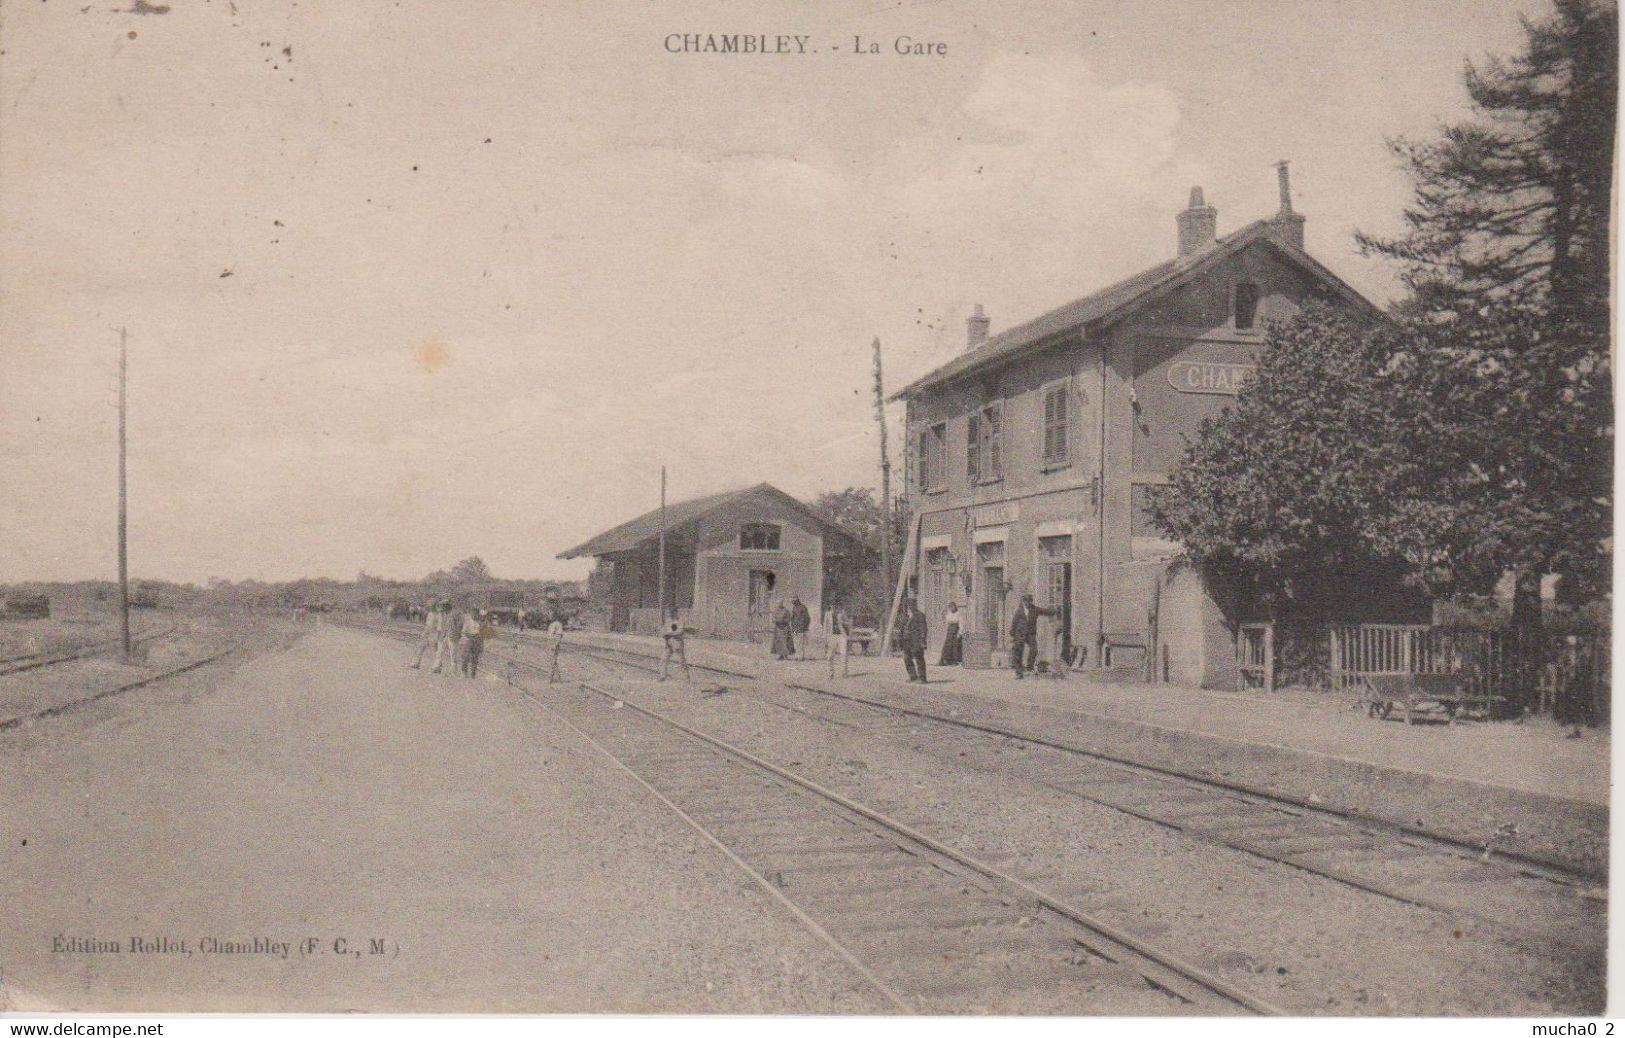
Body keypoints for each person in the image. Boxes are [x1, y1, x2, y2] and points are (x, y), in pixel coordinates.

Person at [1009, 593, 1056, 679]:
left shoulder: (1035, 609)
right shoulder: (1019, 611)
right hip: (1020, 634)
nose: (1028, 603)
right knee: (1018, 652)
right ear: (1023, 602)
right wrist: (1012, 635)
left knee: (1034, 650)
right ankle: (1019, 673)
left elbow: (1045, 611)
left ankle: (1029, 667)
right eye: (1026, 601)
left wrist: (1054, 611)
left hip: (1030, 634)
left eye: (1030, 601)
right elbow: (1014, 623)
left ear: (1031, 601)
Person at [898, 598, 928, 683]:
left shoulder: (920, 615)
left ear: (915, 605)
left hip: (916, 641)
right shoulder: (905, 617)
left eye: (911, 605)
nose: (909, 607)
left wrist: (922, 640)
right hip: (906, 641)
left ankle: (922, 678)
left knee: (919, 658)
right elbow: (902, 629)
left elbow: (923, 629)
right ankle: (913, 676)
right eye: (908, 605)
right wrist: (900, 640)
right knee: (907, 659)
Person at [409, 602, 443, 669]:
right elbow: (427, 624)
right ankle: (416, 663)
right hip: (427, 631)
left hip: (434, 632)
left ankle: (437, 665)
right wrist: (424, 632)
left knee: (434, 649)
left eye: (432, 606)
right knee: (420, 647)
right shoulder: (430, 614)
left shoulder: (439, 615)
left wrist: (438, 635)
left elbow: (439, 627)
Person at [659, 613, 691, 681]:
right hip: (668, 642)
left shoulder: (679, 621)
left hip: (677, 642)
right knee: (664, 659)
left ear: (676, 611)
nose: (671, 612)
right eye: (670, 610)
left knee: (681, 660)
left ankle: (686, 677)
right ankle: (663, 676)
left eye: (672, 610)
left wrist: (668, 633)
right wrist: (665, 634)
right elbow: (663, 631)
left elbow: (679, 632)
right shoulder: (668, 621)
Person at [459, 608, 488, 679]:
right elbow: (463, 632)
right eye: (473, 614)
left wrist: (481, 644)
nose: (474, 615)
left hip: (477, 641)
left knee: (475, 659)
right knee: (465, 657)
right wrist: (467, 639)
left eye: (475, 614)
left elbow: (484, 634)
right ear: (471, 614)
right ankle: (464, 673)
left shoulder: (480, 622)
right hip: (469, 640)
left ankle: (473, 675)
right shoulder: (468, 622)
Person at [826, 606, 852, 679]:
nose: (833, 607)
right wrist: (826, 637)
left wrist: (843, 623)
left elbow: (848, 623)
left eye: (834, 606)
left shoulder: (842, 613)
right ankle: (830, 673)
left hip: (841, 635)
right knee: (830, 656)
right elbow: (826, 626)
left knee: (843, 654)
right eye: (831, 606)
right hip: (832, 636)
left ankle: (844, 673)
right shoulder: (827, 614)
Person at [939, 600, 963, 666]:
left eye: (952, 607)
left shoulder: (958, 614)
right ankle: (946, 660)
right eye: (950, 607)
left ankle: (954, 661)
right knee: (947, 646)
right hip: (950, 630)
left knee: (954, 646)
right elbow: (947, 621)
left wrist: (959, 633)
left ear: (955, 607)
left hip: (955, 630)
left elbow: (961, 624)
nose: (951, 608)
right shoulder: (949, 614)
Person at [790, 594, 812, 660]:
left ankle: (801, 656)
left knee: (800, 642)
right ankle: (797, 656)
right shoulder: (794, 608)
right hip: (795, 628)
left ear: (797, 600)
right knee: (796, 643)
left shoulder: (803, 607)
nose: (793, 602)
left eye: (794, 600)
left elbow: (807, 618)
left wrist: (805, 627)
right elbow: (792, 618)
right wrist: (792, 626)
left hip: (801, 628)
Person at [545, 614, 565, 683]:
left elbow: (559, 636)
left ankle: (549, 679)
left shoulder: (558, 624)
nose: (549, 616)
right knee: (553, 662)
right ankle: (559, 679)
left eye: (550, 615)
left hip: (554, 645)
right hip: (550, 644)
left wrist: (555, 644)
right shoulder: (551, 624)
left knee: (552, 662)